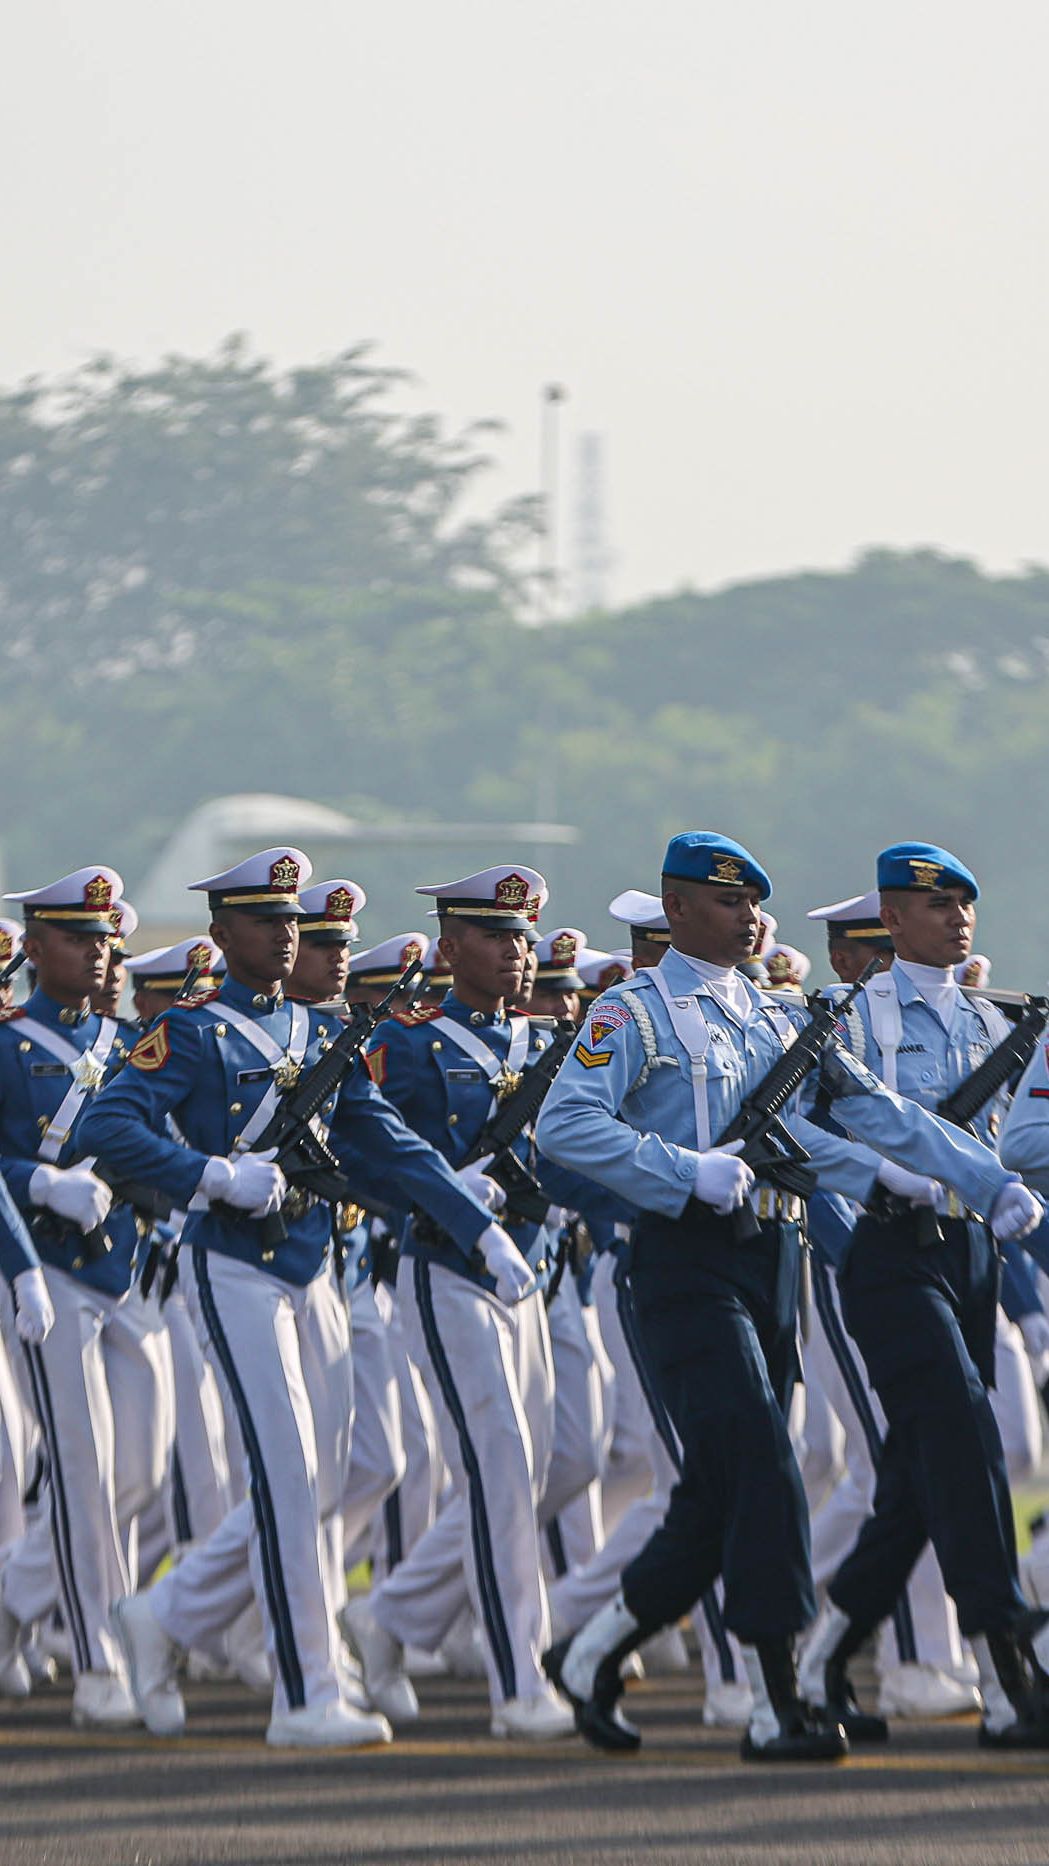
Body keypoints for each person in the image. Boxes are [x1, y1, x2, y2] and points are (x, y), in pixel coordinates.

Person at [535, 831, 1041, 1761]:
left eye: (753, 903)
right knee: (763, 1460)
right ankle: (776, 1701)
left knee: (722, 1486)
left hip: (770, 1253)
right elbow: (562, 1126)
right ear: (677, 909)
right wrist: (680, 1171)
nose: (748, 919)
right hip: (684, 1260)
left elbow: (859, 1117)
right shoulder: (634, 1011)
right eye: (727, 903)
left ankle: (591, 1647)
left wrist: (967, 1178)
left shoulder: (772, 1018)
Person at [80, 848, 512, 1750]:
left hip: (312, 1265)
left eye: (291, 923)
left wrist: (474, 1228)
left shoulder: (321, 1035)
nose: (285, 937)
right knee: (286, 1479)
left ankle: (167, 1615)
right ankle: (305, 1692)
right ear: (221, 934)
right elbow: (108, 1127)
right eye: (265, 922)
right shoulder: (194, 1033)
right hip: (233, 1267)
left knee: (328, 1482)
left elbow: (386, 1146)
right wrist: (206, 1174)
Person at [344, 866, 622, 1741]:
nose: (519, 952)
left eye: (525, 936)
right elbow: (364, 1155)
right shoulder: (412, 1040)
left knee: (560, 1460)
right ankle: (517, 1682)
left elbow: (570, 1161)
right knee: (500, 1465)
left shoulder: (544, 1044)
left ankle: (391, 1615)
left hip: (531, 1273)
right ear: (452, 947)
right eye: (499, 937)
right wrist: (449, 1197)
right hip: (448, 1270)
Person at [801, 843, 1049, 1749]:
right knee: (965, 1432)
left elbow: (1017, 1149)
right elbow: (825, 1121)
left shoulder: (993, 1026)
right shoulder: (846, 1018)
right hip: (887, 1248)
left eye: (963, 905)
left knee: (916, 1473)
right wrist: (874, 1174)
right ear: (890, 919)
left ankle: (824, 1655)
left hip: (969, 1250)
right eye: (932, 905)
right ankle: (1007, 1663)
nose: (955, 918)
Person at [0, 866, 158, 1728]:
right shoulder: (5, 1041)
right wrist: (37, 1184)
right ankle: (100, 1662)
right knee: (85, 1471)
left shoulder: (127, 1043)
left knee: (138, 1468)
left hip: (121, 1266)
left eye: (103, 938)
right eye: (76, 937)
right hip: (43, 1271)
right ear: (33, 947)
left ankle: (7, 1602)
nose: (98, 953)